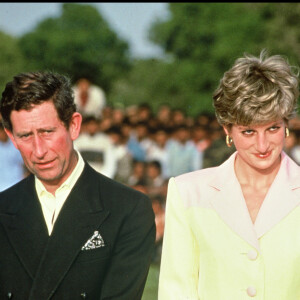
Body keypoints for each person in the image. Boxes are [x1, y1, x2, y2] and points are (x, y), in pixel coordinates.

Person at [0, 71, 156, 299]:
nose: (39, 151)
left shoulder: (128, 209)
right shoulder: (3, 209)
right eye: (25, 136)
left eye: (47, 132)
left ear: (74, 125)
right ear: (11, 137)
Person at [158, 50, 300, 300]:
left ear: (287, 124)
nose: (263, 144)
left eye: (273, 128)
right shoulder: (189, 192)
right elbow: (176, 290)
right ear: (227, 129)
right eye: (248, 132)